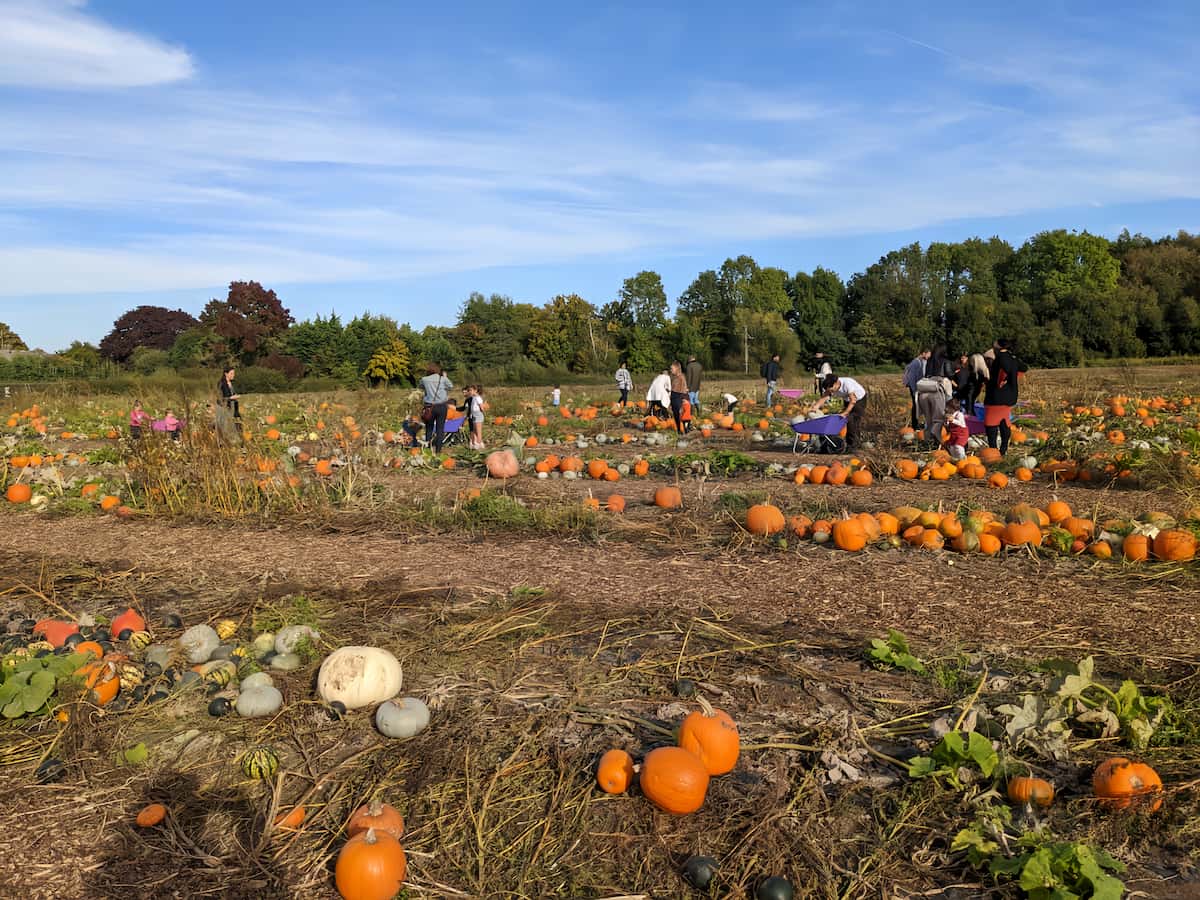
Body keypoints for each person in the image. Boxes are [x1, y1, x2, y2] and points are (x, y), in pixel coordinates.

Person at [983, 339, 1028, 455]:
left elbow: (1003, 372)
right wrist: (1011, 378)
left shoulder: (999, 358)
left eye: (994, 345)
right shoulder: (1013, 358)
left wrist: (1001, 380)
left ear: (998, 346)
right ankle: (1003, 449)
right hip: (1009, 396)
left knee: (991, 424)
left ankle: (993, 451)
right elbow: (1024, 368)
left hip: (995, 396)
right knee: (1004, 422)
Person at [809, 373, 869, 449]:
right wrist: (815, 407)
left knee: (852, 421)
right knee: (846, 421)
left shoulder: (847, 384)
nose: (831, 392)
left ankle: (853, 446)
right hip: (847, 400)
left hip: (859, 400)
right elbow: (824, 397)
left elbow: (853, 400)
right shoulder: (830, 385)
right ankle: (850, 443)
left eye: (832, 390)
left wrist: (845, 413)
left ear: (836, 384)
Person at [419, 363, 453, 452]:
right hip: (442, 406)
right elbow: (450, 386)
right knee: (440, 428)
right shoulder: (442, 379)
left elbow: (420, 387)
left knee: (429, 427)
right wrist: (445, 377)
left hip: (429, 406)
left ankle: (428, 447)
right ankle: (438, 450)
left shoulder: (424, 379)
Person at [903, 349, 931, 430]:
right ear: (924, 353)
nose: (929, 356)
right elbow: (911, 378)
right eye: (928, 354)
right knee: (915, 405)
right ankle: (915, 425)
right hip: (914, 388)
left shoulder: (920, 361)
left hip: (917, 387)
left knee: (917, 405)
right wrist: (914, 390)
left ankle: (916, 424)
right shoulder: (916, 362)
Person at [668, 361, 688, 434]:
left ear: (677, 368)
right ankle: (679, 430)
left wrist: (684, 399)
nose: (671, 370)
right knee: (675, 415)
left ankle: (685, 430)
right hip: (674, 397)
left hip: (679, 397)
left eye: (672, 368)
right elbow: (672, 388)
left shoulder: (681, 377)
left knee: (680, 415)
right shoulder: (674, 378)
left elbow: (684, 389)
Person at [465, 384, 486, 450]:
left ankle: (479, 444)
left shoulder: (478, 398)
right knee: (474, 430)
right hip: (474, 415)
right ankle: (475, 443)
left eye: (471, 390)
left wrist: (483, 409)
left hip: (478, 415)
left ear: (475, 390)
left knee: (478, 431)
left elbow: (481, 407)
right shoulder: (474, 397)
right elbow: (472, 407)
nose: (469, 392)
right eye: (469, 390)